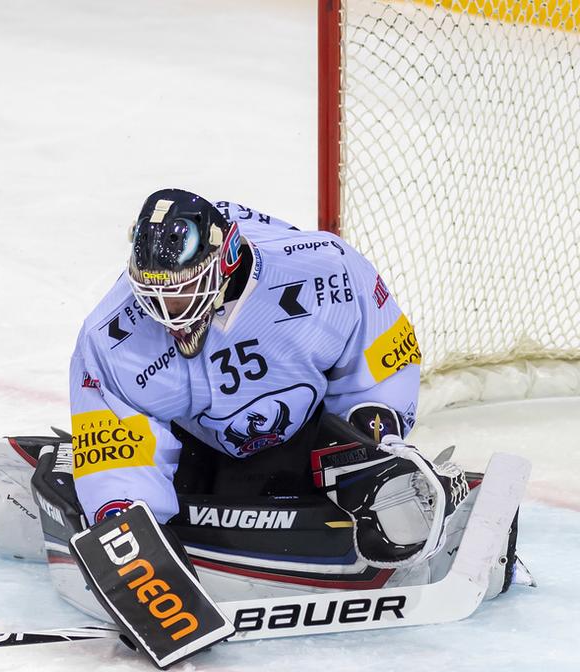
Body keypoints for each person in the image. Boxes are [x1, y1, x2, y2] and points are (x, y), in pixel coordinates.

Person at [62, 188, 468, 590]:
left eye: (183, 290)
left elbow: (383, 359)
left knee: (364, 447)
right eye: (156, 294)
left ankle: (386, 486)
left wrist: (374, 437)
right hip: (195, 445)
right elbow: (118, 438)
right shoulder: (110, 337)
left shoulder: (326, 271)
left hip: (306, 432)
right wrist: (125, 522)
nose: (169, 312)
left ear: (226, 261)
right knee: (146, 500)